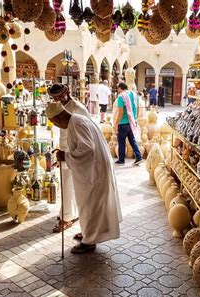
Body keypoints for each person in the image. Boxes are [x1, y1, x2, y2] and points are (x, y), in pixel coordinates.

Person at [45, 102, 122, 254]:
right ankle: (89, 234)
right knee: (91, 205)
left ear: (58, 118)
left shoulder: (76, 123)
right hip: (95, 168)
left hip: (95, 170)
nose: (57, 126)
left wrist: (65, 156)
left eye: (54, 123)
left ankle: (89, 242)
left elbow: (87, 148)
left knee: (90, 205)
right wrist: (64, 156)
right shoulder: (77, 120)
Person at [47, 83, 91, 233]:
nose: (58, 99)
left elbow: (86, 135)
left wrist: (71, 155)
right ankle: (68, 213)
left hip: (76, 152)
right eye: (55, 98)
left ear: (67, 92)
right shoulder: (58, 106)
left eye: (60, 96)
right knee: (66, 185)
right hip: (65, 150)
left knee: (70, 185)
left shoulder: (78, 108)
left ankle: (67, 218)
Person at [114, 82, 143, 166]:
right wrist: (135, 119)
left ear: (120, 88)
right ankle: (139, 157)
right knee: (132, 140)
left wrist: (116, 123)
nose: (118, 90)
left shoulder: (121, 97)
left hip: (123, 123)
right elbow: (137, 109)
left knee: (121, 141)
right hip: (132, 122)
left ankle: (121, 159)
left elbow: (121, 112)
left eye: (118, 89)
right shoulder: (135, 95)